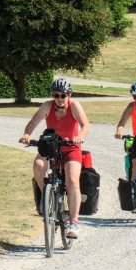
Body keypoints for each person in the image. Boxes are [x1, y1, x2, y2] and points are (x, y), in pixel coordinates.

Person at [19, 77, 89, 239]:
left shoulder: (74, 106)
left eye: (63, 95)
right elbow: (33, 122)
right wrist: (27, 134)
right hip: (52, 146)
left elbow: (85, 125)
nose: (59, 99)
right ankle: (47, 197)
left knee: (72, 180)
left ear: (69, 95)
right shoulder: (47, 106)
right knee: (38, 164)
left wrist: (79, 136)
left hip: (71, 148)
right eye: (56, 95)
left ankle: (74, 223)